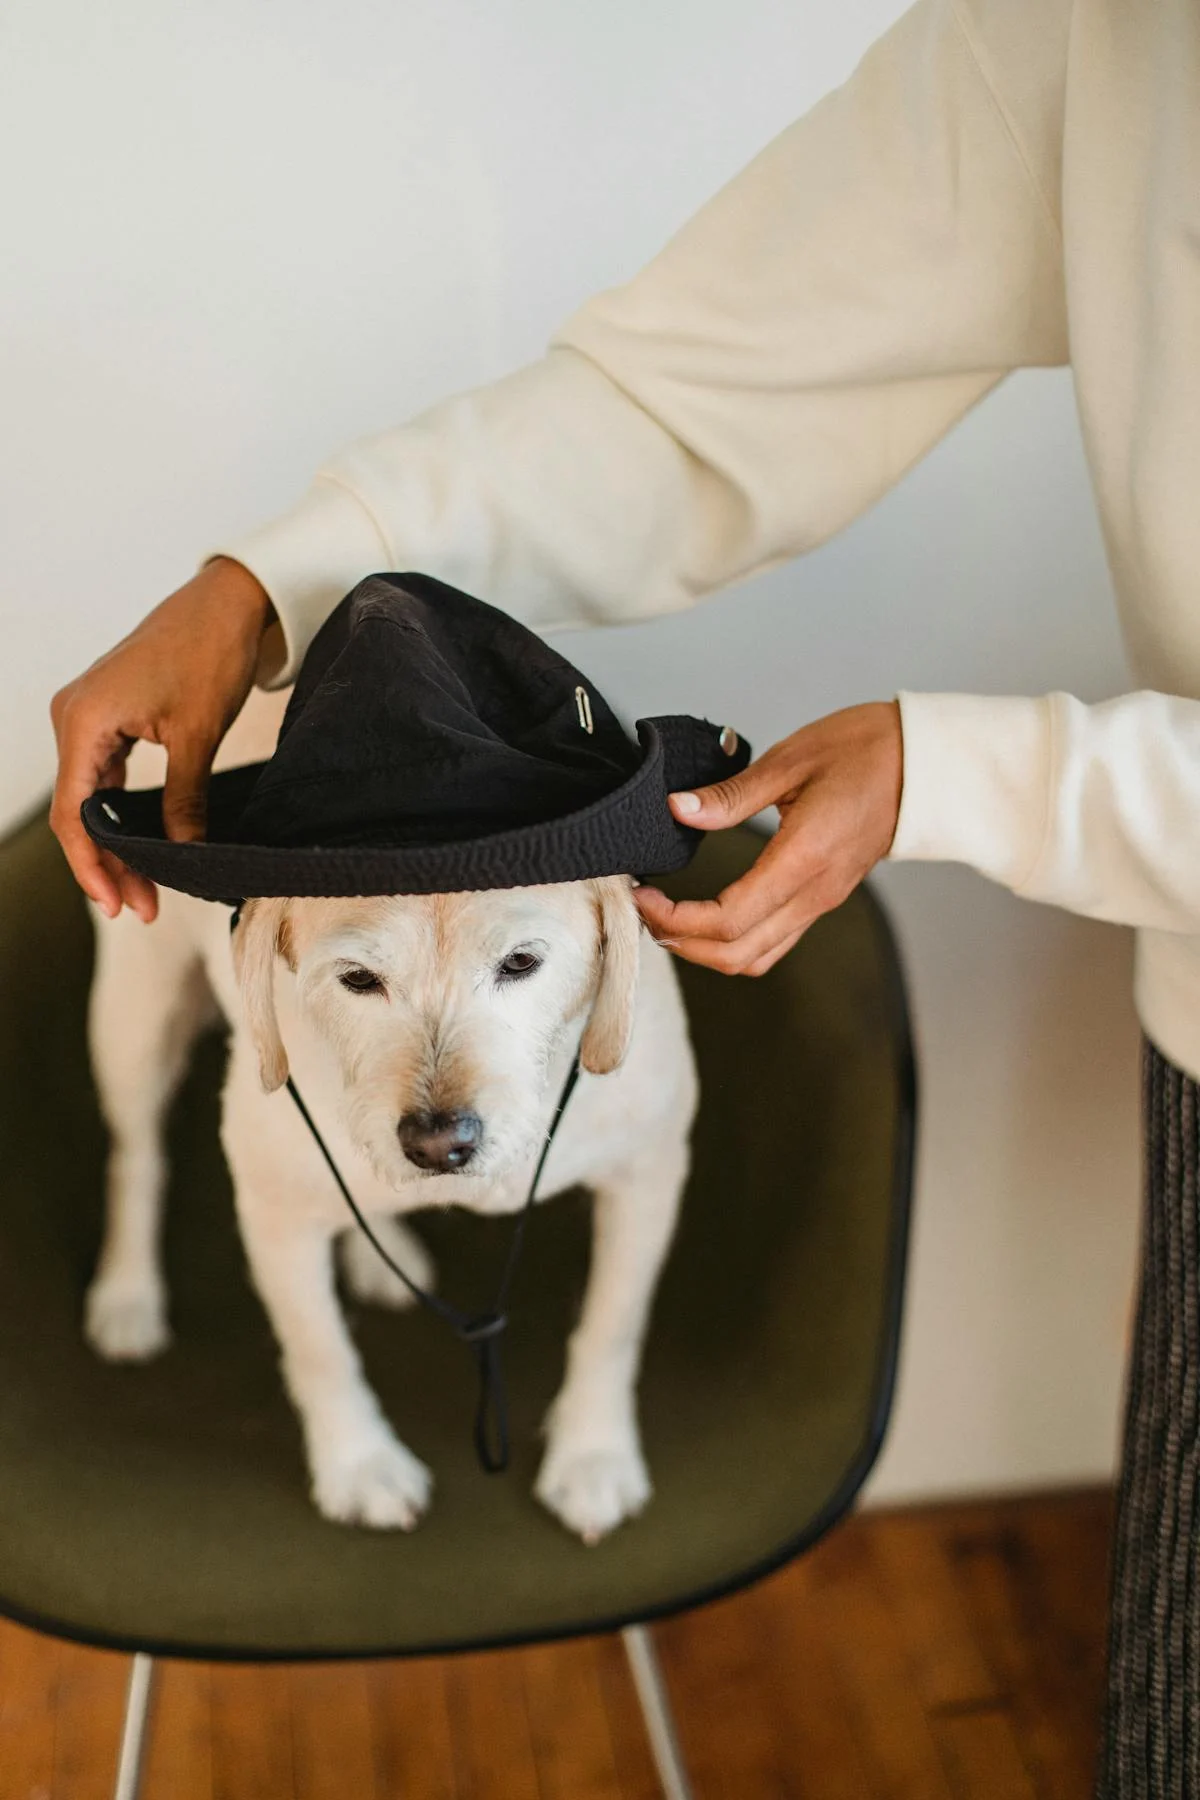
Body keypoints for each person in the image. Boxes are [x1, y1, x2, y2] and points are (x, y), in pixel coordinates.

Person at [47, 0, 1200, 1789]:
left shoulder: (615, 1018)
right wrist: (261, 584)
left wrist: (973, 773)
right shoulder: (1093, 28)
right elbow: (684, 400)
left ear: (595, 952)